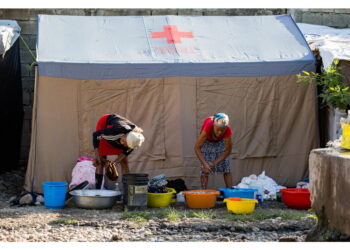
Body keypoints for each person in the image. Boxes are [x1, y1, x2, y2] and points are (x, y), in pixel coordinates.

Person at [92, 114, 145, 189]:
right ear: (125, 137)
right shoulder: (114, 131)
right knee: (100, 162)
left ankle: (127, 191)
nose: (123, 144)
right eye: (123, 142)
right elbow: (96, 135)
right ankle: (97, 191)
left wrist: (114, 163)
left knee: (124, 161)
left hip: (120, 135)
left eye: (126, 145)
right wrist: (97, 156)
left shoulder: (135, 139)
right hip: (105, 124)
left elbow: (126, 151)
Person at [194, 113, 233, 189]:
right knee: (204, 168)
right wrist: (205, 164)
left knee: (227, 166)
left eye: (222, 130)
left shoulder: (228, 130)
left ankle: (229, 192)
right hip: (207, 140)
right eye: (218, 130)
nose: (219, 133)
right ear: (213, 125)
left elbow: (228, 151)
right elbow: (196, 148)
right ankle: (204, 192)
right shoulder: (208, 126)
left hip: (220, 141)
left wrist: (215, 162)